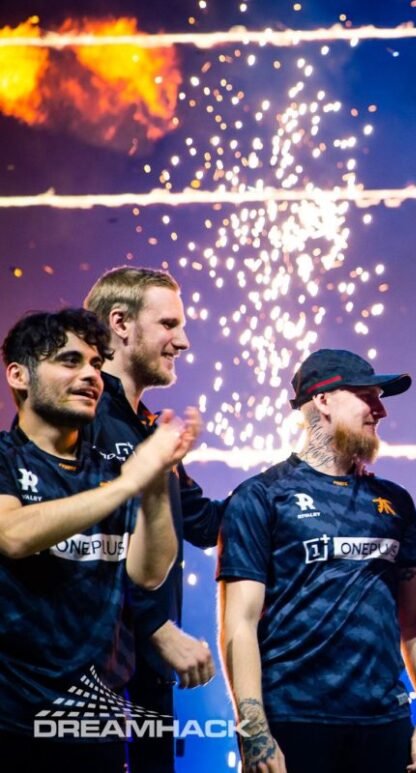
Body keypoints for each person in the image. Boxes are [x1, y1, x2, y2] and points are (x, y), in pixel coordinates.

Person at [217, 348, 416, 773]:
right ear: (323, 400)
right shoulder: (261, 496)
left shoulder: (395, 502)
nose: (381, 410)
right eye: (367, 396)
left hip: (384, 724)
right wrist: (255, 733)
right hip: (295, 723)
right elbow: (239, 624)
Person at [0, 308, 194, 771]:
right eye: (70, 361)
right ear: (19, 376)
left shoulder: (108, 471)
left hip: (98, 727)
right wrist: (127, 484)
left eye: (95, 363)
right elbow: (13, 534)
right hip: (13, 725)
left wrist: (156, 480)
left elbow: (149, 573)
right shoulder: (5, 459)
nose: (91, 375)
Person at [84, 266, 224, 771]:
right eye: (168, 324)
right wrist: (155, 626)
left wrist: (292, 476)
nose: (182, 342)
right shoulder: (80, 416)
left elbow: (205, 524)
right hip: (89, 677)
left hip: (145, 675)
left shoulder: (150, 428)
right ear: (120, 323)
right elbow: (80, 542)